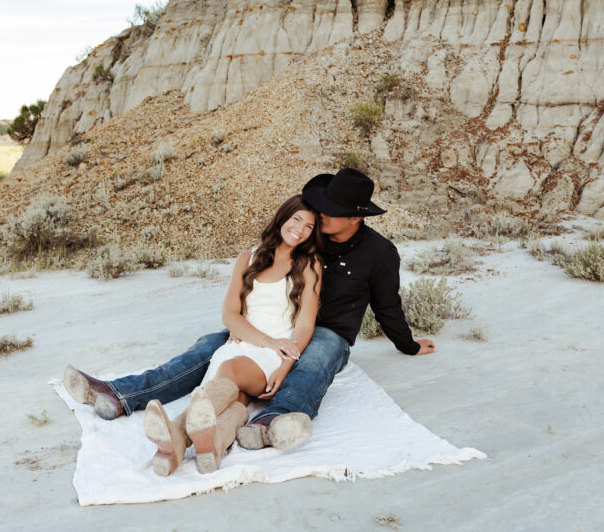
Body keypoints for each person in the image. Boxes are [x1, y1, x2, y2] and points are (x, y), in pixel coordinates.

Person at [62, 168, 435, 455]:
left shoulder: (379, 253)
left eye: (332, 212)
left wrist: (408, 345)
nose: (321, 215)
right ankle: (120, 394)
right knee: (207, 347)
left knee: (317, 356)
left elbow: (388, 305)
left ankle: (273, 421)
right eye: (322, 207)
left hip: (324, 330)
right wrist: (253, 329)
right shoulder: (311, 233)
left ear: (357, 217)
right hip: (272, 326)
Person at [140, 194, 322, 476]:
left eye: (309, 226)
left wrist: (284, 363)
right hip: (241, 342)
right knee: (235, 399)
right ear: (282, 217)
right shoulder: (246, 259)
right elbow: (230, 316)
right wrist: (256, 337)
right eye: (296, 219)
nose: (300, 228)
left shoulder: (309, 265)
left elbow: (305, 326)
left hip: (274, 352)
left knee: (229, 370)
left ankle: (177, 432)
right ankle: (209, 449)